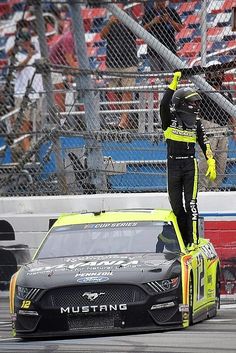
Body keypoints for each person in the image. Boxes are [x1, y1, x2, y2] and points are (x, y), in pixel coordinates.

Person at [160, 71, 216, 247]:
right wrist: (173, 84)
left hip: (190, 165)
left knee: (191, 204)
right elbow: (163, 105)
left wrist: (211, 160)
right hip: (173, 165)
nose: (196, 105)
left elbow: (204, 142)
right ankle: (183, 240)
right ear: (182, 103)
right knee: (177, 207)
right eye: (192, 102)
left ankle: (193, 242)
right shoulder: (169, 120)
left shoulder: (197, 122)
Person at [198, 70, 236, 190]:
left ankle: (215, 188)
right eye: (214, 73)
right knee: (205, 160)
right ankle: (202, 188)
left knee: (221, 161)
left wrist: (234, 128)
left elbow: (231, 112)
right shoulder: (202, 91)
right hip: (208, 125)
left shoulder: (225, 92)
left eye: (219, 73)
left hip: (223, 128)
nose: (216, 76)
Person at [100, 10, 138, 129]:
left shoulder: (131, 14)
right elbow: (102, 36)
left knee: (127, 90)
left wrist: (127, 21)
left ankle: (123, 120)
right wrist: (110, 23)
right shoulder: (108, 17)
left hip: (129, 61)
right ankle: (117, 117)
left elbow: (138, 33)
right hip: (113, 62)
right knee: (114, 91)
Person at [142, 0, 183, 72]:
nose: (161, 4)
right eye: (159, 2)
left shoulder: (171, 12)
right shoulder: (149, 13)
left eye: (163, 2)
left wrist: (170, 20)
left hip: (169, 48)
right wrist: (153, 22)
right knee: (156, 75)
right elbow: (142, 30)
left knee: (170, 74)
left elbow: (179, 28)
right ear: (155, 2)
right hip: (153, 50)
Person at [49, 30, 77, 112]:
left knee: (62, 94)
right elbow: (68, 56)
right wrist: (76, 71)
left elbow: (71, 57)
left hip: (62, 67)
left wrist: (70, 72)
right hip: (54, 67)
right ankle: (61, 120)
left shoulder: (74, 37)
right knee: (59, 94)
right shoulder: (68, 37)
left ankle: (63, 119)